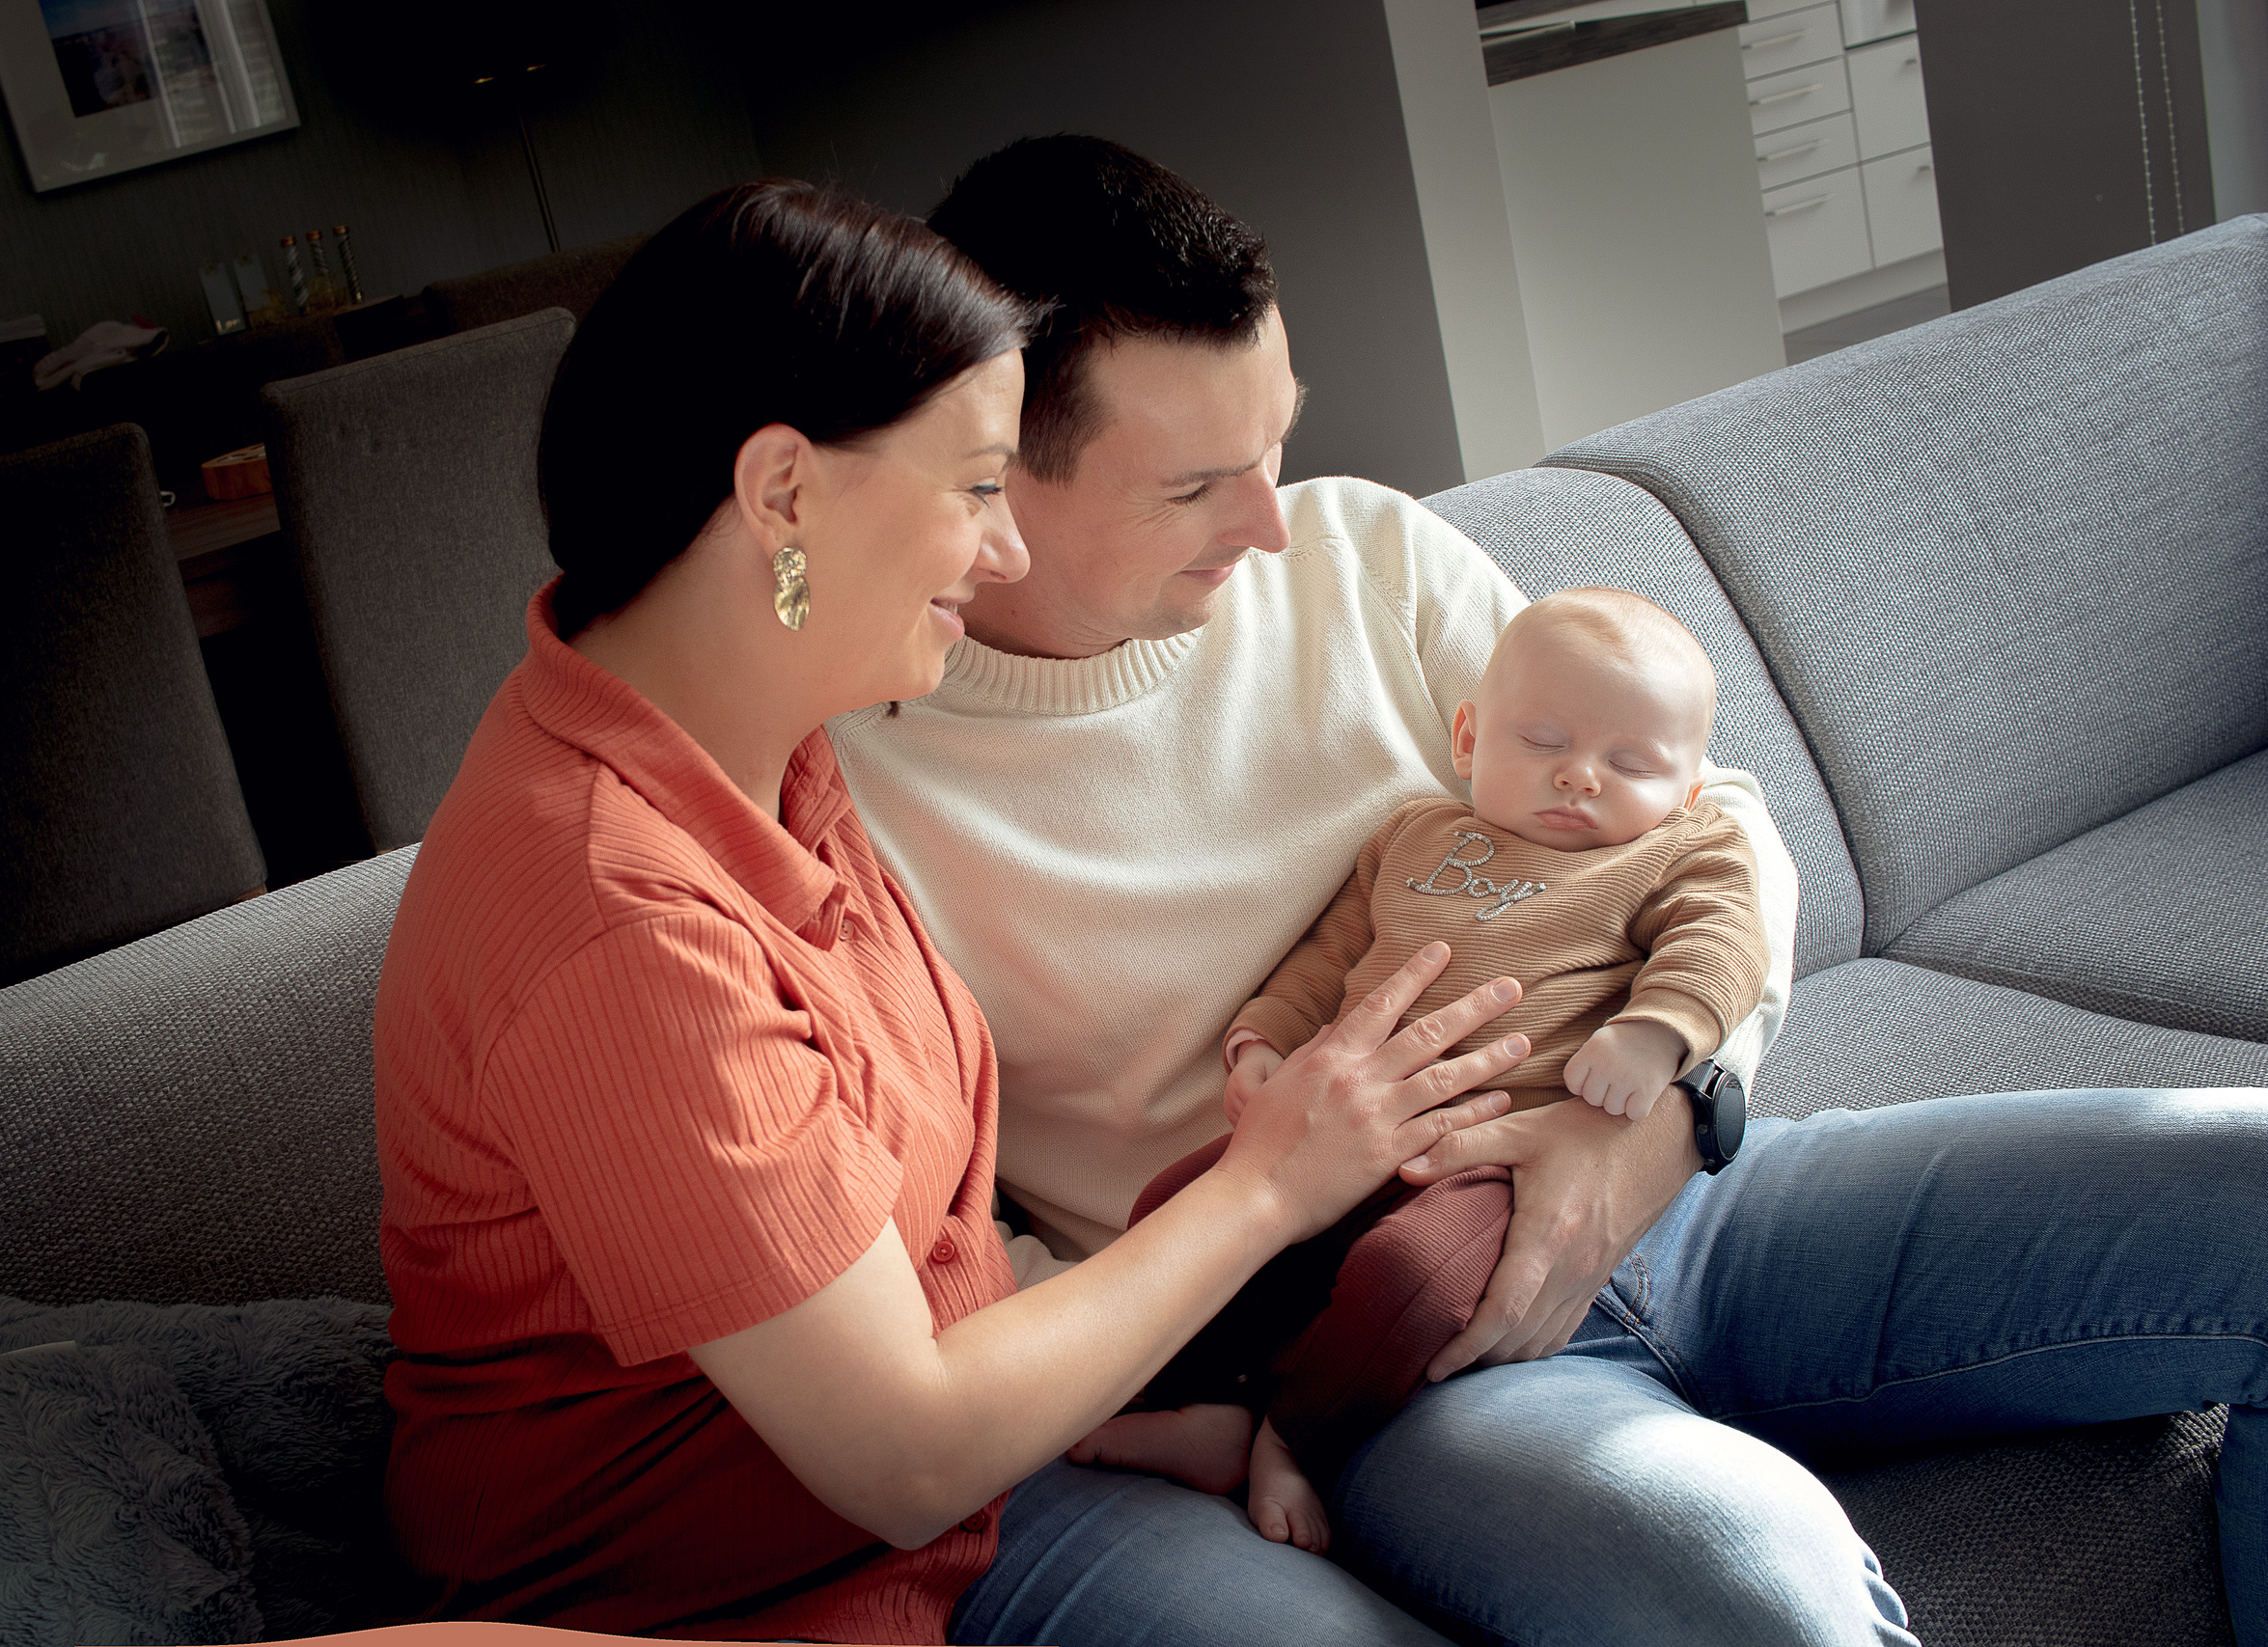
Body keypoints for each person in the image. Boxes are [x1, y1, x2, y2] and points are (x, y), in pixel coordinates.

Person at [828, 135, 2268, 1645]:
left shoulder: (1362, 551)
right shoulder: (867, 790)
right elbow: (955, 1255)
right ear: (997, 472)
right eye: (1197, 485)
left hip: (1697, 1197)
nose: (1270, 522)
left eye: (1276, 443)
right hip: (1396, 1356)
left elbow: (1719, 834)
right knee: (1755, 1598)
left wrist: (1628, 1129)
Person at [372, 178, 1538, 1645]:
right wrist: (1269, 1185)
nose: (1003, 555)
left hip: (1011, 1461)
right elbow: (900, 1452)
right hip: (763, 1583)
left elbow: (922, 1245)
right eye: (978, 487)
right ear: (783, 492)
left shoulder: (760, 725)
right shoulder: (621, 915)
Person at [1084, 587, 1767, 1552]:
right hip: (1340, 1134)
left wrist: (1656, 1033)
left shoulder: (1679, 852)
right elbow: (1325, 958)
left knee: (1405, 1279)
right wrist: (1262, 1043)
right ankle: (1205, 1407)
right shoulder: (1411, 840)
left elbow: (1723, 943)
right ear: (1468, 737)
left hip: (1502, 1157)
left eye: (1628, 764)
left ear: (1688, 789)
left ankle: (1294, 1437)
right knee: (1176, 1206)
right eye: (1542, 742)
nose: (1577, 778)